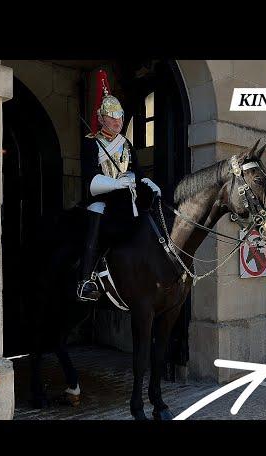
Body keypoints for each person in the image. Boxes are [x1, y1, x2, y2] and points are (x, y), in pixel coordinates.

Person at [77, 69, 161, 302]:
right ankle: (86, 280)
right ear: (101, 118)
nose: (117, 121)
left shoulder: (126, 144)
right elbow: (90, 177)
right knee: (94, 228)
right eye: (112, 117)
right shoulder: (92, 144)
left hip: (127, 199)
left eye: (120, 116)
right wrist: (116, 183)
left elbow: (138, 172)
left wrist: (149, 183)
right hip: (102, 199)